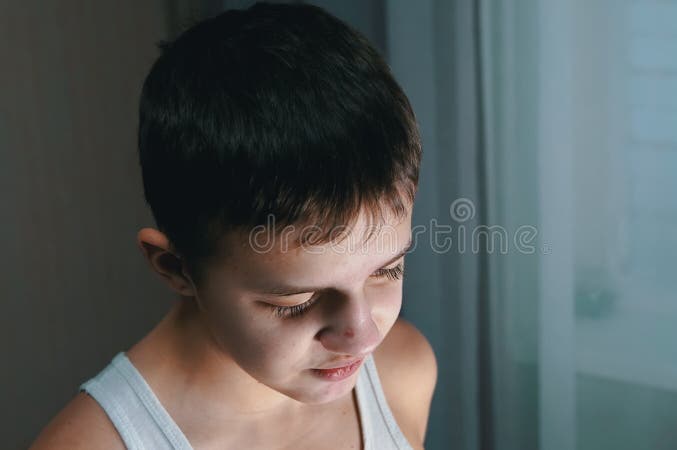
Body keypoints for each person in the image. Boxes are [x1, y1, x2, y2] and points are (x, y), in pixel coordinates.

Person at [30, 3, 436, 449]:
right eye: (296, 301)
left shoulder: (404, 369)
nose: (363, 334)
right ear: (175, 267)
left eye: (388, 270)